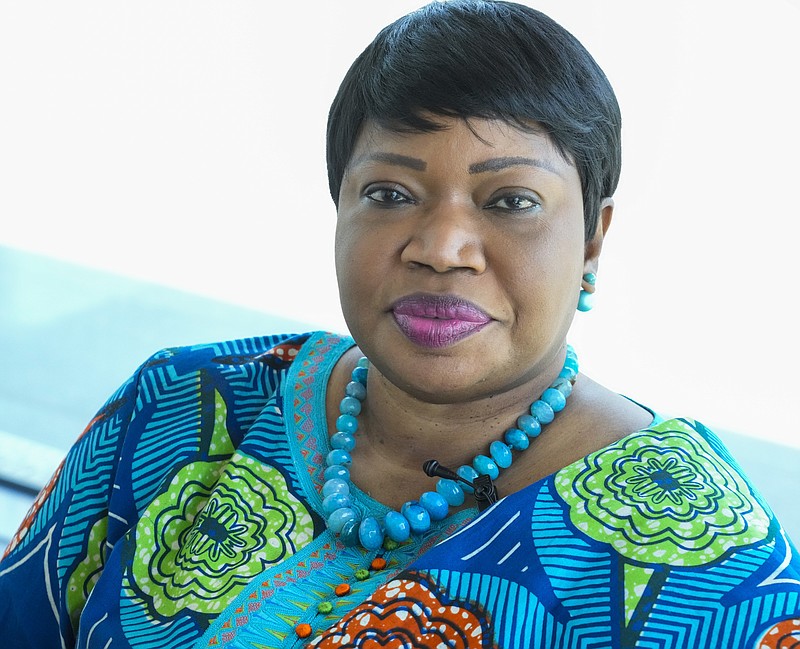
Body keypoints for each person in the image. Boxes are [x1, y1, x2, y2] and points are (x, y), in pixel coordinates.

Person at [1, 0, 798, 647]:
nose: (441, 247)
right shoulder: (179, 408)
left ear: (592, 238)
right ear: (339, 207)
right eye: (390, 193)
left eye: (510, 201)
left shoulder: (705, 563)